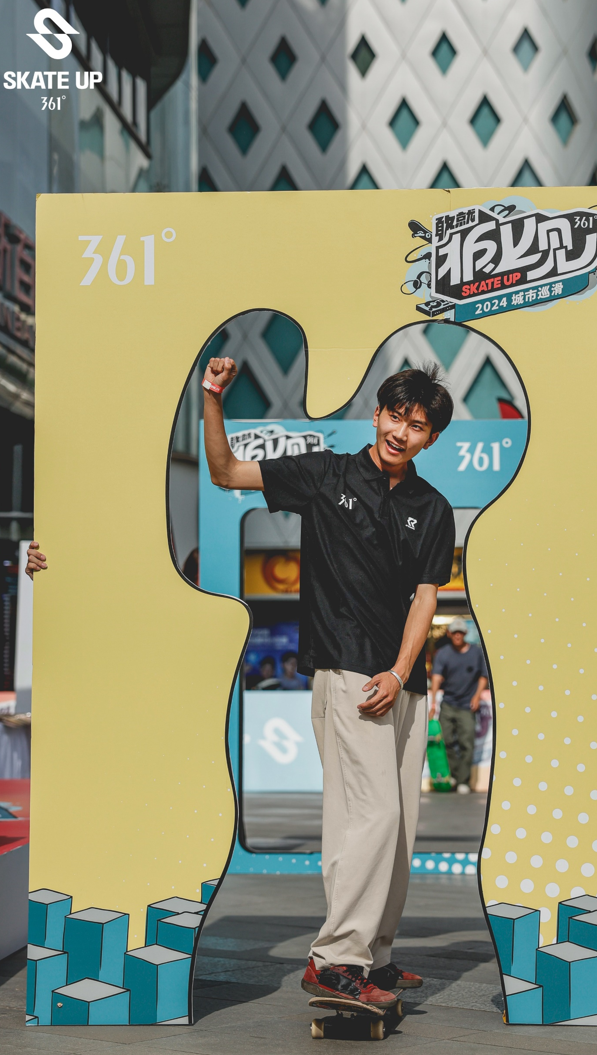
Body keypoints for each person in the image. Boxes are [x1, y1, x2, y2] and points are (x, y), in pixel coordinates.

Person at [202, 355, 455, 1008]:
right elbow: (226, 471)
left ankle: (375, 956)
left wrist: (402, 672)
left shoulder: (432, 506)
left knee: (397, 828)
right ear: (377, 415)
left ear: (430, 438)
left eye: (418, 425)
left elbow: (427, 598)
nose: (402, 431)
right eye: (396, 416)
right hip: (348, 670)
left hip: (404, 680)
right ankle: (337, 957)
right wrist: (213, 398)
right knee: (372, 814)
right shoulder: (324, 473)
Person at [430, 617, 488, 794]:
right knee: (446, 740)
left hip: (467, 705)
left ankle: (463, 781)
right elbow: (436, 677)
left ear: (465, 633)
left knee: (466, 743)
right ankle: (453, 776)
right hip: (448, 704)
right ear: (449, 633)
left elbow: (483, 676)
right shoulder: (443, 653)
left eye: (460, 632)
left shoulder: (476, 653)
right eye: (454, 632)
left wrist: (477, 697)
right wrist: (433, 702)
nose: (457, 635)